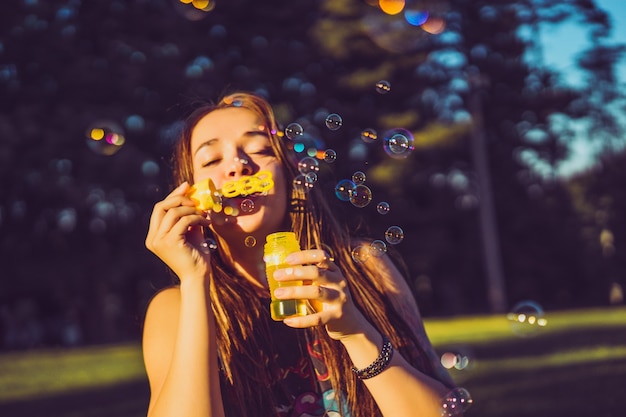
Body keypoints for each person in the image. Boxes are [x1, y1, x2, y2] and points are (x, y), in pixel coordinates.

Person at [142, 91, 458, 417]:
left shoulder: (363, 267)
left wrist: (355, 330)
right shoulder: (175, 308)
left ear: (291, 175)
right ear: (189, 193)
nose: (237, 166)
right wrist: (195, 281)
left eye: (260, 150)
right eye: (211, 160)